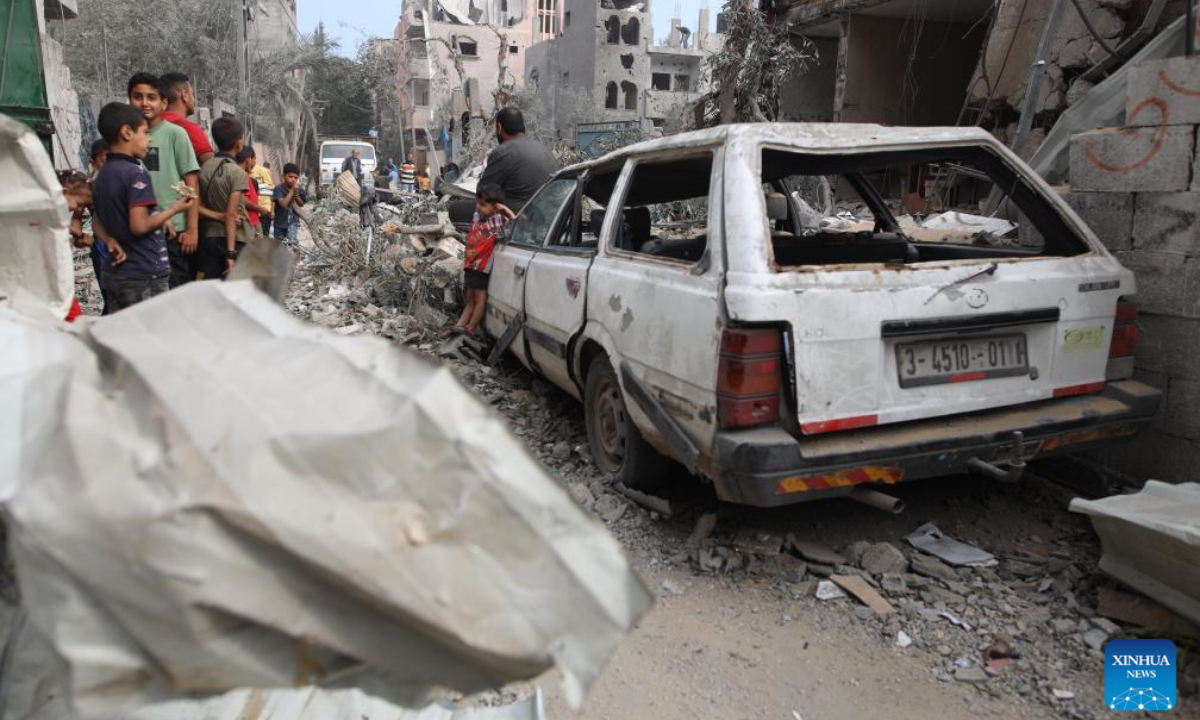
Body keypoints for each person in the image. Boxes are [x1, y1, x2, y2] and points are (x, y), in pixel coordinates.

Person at [90, 102, 193, 311]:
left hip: (116, 273)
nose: (149, 139)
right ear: (127, 132)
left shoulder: (103, 174)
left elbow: (95, 222)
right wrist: (174, 210)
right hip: (143, 274)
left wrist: (109, 240)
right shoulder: (135, 174)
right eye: (145, 132)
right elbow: (139, 225)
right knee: (149, 337)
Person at [127, 72, 201, 288]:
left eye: (151, 97)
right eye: (137, 97)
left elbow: (191, 184)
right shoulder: (125, 136)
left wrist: (191, 229)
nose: (144, 103)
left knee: (175, 293)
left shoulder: (175, 134)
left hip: (174, 232)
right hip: (138, 228)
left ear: (163, 103)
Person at [452, 183, 513, 336]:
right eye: (477, 203)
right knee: (470, 298)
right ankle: (460, 325)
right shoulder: (478, 217)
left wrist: (506, 211)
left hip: (481, 267)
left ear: (496, 207)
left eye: (483, 205)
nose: (478, 207)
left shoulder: (499, 220)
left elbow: (518, 222)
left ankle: (471, 327)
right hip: (471, 264)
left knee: (480, 298)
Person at [198, 117, 253, 280]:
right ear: (239, 143)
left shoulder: (203, 169)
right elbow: (231, 214)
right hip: (236, 239)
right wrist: (230, 255)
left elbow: (196, 207)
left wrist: (217, 216)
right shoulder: (237, 173)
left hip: (210, 237)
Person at [478, 107, 556, 211]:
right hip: (549, 214)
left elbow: (483, 193)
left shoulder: (502, 152)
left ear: (499, 128)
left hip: (520, 218)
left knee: (456, 209)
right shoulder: (545, 150)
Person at [159, 72, 214, 165]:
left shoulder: (151, 125)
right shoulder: (188, 129)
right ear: (185, 95)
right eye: (192, 95)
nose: (194, 100)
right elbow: (214, 168)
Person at [236, 147, 270, 235]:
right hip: (249, 221)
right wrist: (260, 208)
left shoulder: (261, 172)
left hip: (258, 216)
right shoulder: (242, 175)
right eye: (253, 159)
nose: (254, 162)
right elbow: (242, 199)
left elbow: (268, 191)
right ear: (249, 159)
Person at [272, 163, 308, 244]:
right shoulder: (278, 189)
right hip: (279, 223)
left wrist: (297, 195)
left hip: (293, 222)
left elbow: (301, 204)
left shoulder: (300, 189)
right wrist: (292, 191)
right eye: (290, 177)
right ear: (284, 176)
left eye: (296, 177)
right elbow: (283, 204)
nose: (293, 180)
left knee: (291, 245)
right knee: (279, 247)